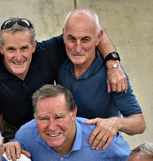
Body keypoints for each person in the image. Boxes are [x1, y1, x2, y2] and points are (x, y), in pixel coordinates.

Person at [58, 9, 146, 149]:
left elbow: (139, 123)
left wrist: (115, 123)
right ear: (63, 35)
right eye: (72, 39)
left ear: (98, 38)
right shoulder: (59, 58)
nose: (77, 48)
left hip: (103, 149)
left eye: (85, 39)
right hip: (69, 148)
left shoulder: (114, 75)